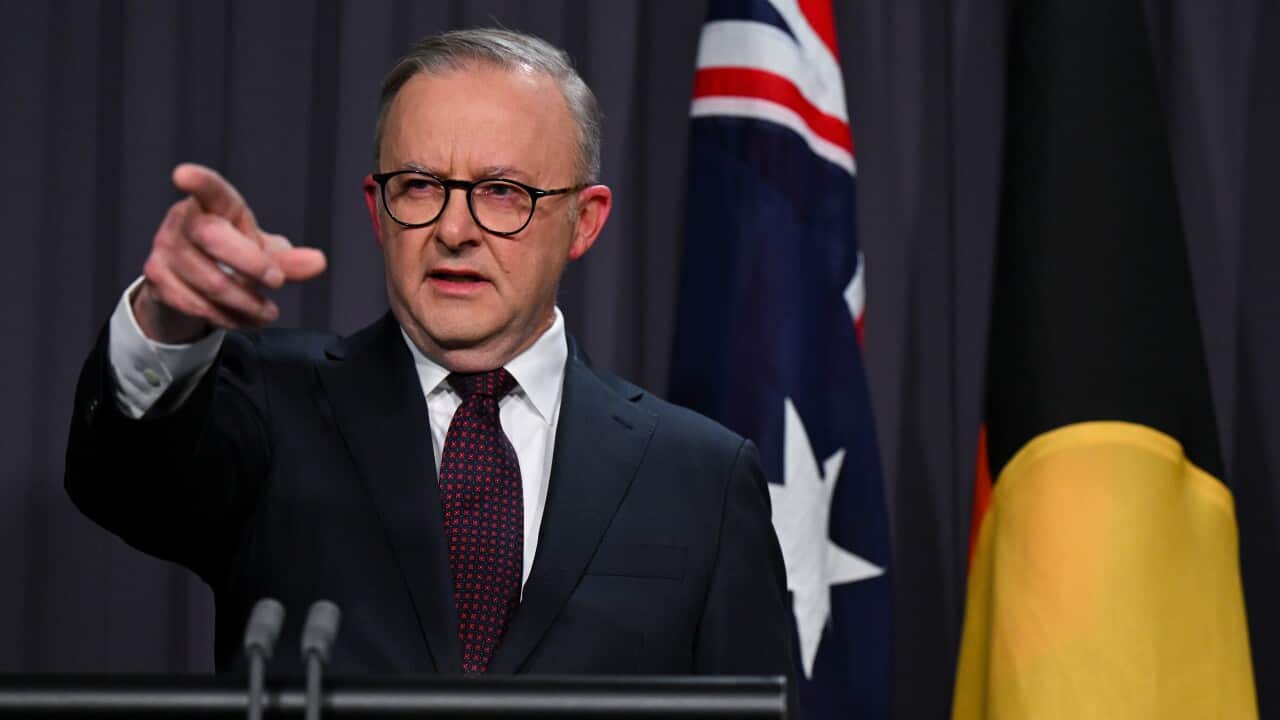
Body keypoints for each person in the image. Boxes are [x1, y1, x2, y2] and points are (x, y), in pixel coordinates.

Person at [65, 28, 792, 681]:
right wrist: (166, 320)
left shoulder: (701, 476)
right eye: (419, 186)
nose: (453, 229)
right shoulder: (270, 405)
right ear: (377, 210)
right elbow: (124, 482)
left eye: (502, 192)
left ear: (584, 221)